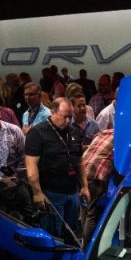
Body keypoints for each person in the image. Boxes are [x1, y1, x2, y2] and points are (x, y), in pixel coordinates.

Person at [25, 97, 87, 240]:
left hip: (72, 192)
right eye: (64, 116)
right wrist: (37, 193)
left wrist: (84, 186)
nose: (68, 121)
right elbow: (31, 165)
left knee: (72, 233)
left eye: (70, 117)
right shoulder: (37, 133)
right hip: (51, 193)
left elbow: (79, 162)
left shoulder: (74, 131)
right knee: (53, 235)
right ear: (52, 112)